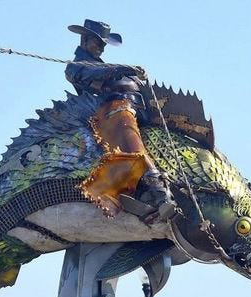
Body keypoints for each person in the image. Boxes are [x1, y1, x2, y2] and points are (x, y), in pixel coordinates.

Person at [65, 19, 176, 223]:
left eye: (103, 44)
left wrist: (136, 78)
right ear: (85, 39)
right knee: (130, 142)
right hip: (111, 110)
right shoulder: (77, 67)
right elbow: (91, 75)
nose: (101, 47)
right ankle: (156, 191)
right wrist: (125, 69)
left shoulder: (101, 65)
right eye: (98, 42)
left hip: (139, 109)